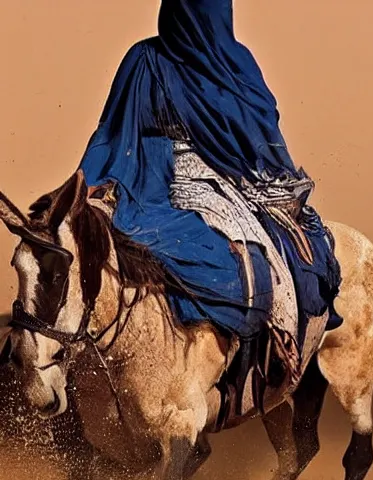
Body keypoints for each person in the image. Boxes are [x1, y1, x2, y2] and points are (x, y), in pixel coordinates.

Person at [78, 0, 341, 408]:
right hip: (144, 177)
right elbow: (111, 131)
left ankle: (257, 355)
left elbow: (259, 129)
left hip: (224, 180)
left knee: (257, 258)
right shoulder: (144, 59)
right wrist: (85, 185)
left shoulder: (237, 65)